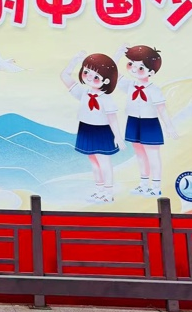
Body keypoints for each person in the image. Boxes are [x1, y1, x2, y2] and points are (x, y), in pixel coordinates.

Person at [114, 44, 178, 197]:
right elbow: (113, 72)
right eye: (131, 65)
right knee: (139, 154)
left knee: (153, 155)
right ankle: (143, 184)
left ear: (151, 72)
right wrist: (118, 54)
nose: (134, 69)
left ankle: (155, 186)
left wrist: (169, 127)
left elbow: (162, 109)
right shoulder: (129, 85)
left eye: (141, 68)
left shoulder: (154, 90)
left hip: (150, 124)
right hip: (133, 122)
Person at [60, 51, 125, 204]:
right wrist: (74, 60)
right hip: (86, 129)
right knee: (94, 162)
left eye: (95, 76)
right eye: (86, 71)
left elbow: (112, 119)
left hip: (101, 131)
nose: (89, 76)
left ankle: (108, 192)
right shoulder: (83, 93)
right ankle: (99, 190)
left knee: (104, 162)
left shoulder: (106, 99)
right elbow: (64, 76)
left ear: (107, 80)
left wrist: (118, 137)